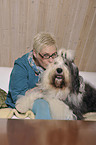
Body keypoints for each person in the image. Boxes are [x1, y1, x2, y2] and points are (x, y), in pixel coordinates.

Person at [5, 32, 58, 119]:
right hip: (26, 101)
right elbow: (17, 96)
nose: (51, 60)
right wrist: (41, 90)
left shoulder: (56, 63)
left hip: (48, 98)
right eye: (46, 55)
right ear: (35, 53)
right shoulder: (21, 66)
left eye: (54, 55)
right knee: (42, 104)